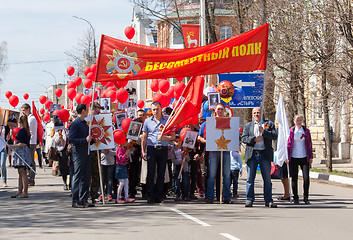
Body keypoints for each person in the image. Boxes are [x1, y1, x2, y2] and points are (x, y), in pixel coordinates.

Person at [242, 107, 278, 208]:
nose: (257, 114)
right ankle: (249, 199)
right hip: (252, 154)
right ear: (252, 114)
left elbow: (274, 136)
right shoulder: (248, 125)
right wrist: (254, 139)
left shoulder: (268, 124)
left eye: (258, 112)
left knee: (267, 179)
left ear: (261, 113)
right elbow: (244, 138)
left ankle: (268, 200)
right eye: (255, 113)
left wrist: (264, 132)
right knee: (250, 179)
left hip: (264, 154)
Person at [141, 102, 175, 204]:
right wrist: (143, 151)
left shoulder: (167, 120)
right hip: (151, 148)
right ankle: (150, 195)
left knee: (161, 173)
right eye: (154, 110)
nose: (155, 112)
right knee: (150, 173)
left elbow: (173, 136)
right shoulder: (147, 121)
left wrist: (164, 138)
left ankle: (159, 195)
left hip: (163, 148)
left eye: (157, 109)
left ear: (161, 109)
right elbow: (144, 137)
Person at [201, 103, 232, 204]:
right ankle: (210, 196)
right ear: (215, 111)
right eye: (218, 109)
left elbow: (232, 135)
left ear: (224, 111)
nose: (219, 111)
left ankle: (226, 197)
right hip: (213, 151)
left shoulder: (229, 122)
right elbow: (203, 137)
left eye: (221, 109)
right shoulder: (209, 123)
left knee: (227, 175)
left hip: (225, 151)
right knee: (212, 175)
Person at [68, 103, 94, 208]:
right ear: (83, 111)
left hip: (86, 151)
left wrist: (92, 140)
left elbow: (87, 138)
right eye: (87, 110)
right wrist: (85, 140)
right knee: (77, 176)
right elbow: (71, 139)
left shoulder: (84, 123)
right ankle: (75, 200)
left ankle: (83, 199)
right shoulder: (75, 123)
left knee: (86, 176)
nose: (88, 112)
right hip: (78, 152)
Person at [287, 114, 313, 205]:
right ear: (294, 121)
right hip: (294, 157)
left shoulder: (306, 131)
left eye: (300, 120)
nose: (298, 122)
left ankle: (306, 197)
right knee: (294, 178)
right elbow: (288, 144)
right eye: (297, 120)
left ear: (302, 121)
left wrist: (310, 157)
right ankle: (296, 197)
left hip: (304, 156)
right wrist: (287, 156)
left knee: (306, 178)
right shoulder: (291, 131)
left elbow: (309, 144)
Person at [9, 115, 32, 198]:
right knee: (20, 172)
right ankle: (20, 190)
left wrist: (13, 146)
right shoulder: (25, 130)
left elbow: (23, 143)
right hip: (21, 151)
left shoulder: (23, 131)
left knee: (23, 172)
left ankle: (25, 191)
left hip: (22, 151)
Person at [21, 103, 37, 186]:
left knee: (30, 160)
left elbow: (27, 130)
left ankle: (31, 178)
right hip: (29, 142)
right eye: (22, 111)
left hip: (31, 142)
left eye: (24, 110)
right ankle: (29, 177)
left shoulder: (31, 119)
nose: (23, 112)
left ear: (28, 109)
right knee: (28, 160)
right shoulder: (28, 118)